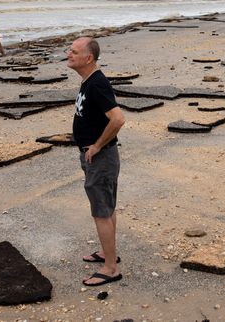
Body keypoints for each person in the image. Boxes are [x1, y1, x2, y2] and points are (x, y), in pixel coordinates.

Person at [66, 37, 125, 287]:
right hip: (97, 157)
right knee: (106, 208)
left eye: (73, 51)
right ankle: (107, 252)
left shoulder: (97, 84)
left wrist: (98, 145)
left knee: (101, 212)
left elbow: (118, 119)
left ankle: (110, 268)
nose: (68, 54)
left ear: (88, 58)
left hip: (100, 158)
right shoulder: (89, 81)